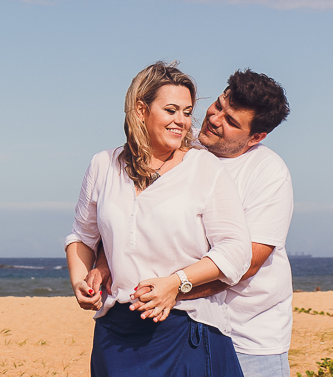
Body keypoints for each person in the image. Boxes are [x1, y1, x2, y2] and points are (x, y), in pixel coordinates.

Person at [89, 70, 293, 377]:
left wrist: (172, 290)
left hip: (249, 334)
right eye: (219, 105)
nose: (214, 118)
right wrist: (105, 262)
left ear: (256, 137)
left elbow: (247, 262)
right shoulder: (180, 144)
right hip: (185, 327)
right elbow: (129, 215)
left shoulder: (268, 173)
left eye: (231, 120)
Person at [65, 61, 252, 377]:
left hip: (186, 325)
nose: (182, 121)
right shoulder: (102, 165)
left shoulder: (205, 168)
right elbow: (83, 236)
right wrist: (80, 281)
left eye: (187, 112)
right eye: (171, 110)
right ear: (141, 110)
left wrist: (175, 284)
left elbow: (236, 250)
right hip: (116, 332)